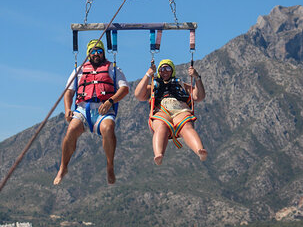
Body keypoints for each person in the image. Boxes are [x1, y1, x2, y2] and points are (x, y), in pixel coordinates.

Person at [53, 39, 129, 185]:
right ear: (88, 54)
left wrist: (110, 101)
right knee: (71, 131)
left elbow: (124, 89)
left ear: (103, 53)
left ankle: (110, 165)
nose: (96, 54)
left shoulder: (113, 69)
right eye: (93, 51)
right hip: (82, 109)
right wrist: (68, 109)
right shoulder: (79, 70)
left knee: (108, 129)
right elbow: (69, 92)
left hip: (103, 109)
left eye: (99, 51)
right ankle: (63, 167)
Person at [134, 59, 207, 165]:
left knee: (186, 126)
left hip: (180, 109)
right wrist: (148, 74)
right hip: (162, 110)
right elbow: (138, 95)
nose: (164, 71)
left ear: (172, 71)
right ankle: (159, 154)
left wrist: (197, 77)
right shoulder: (153, 86)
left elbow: (198, 96)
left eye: (167, 68)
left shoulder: (181, 84)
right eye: (161, 69)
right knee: (161, 126)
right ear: (158, 71)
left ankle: (200, 150)